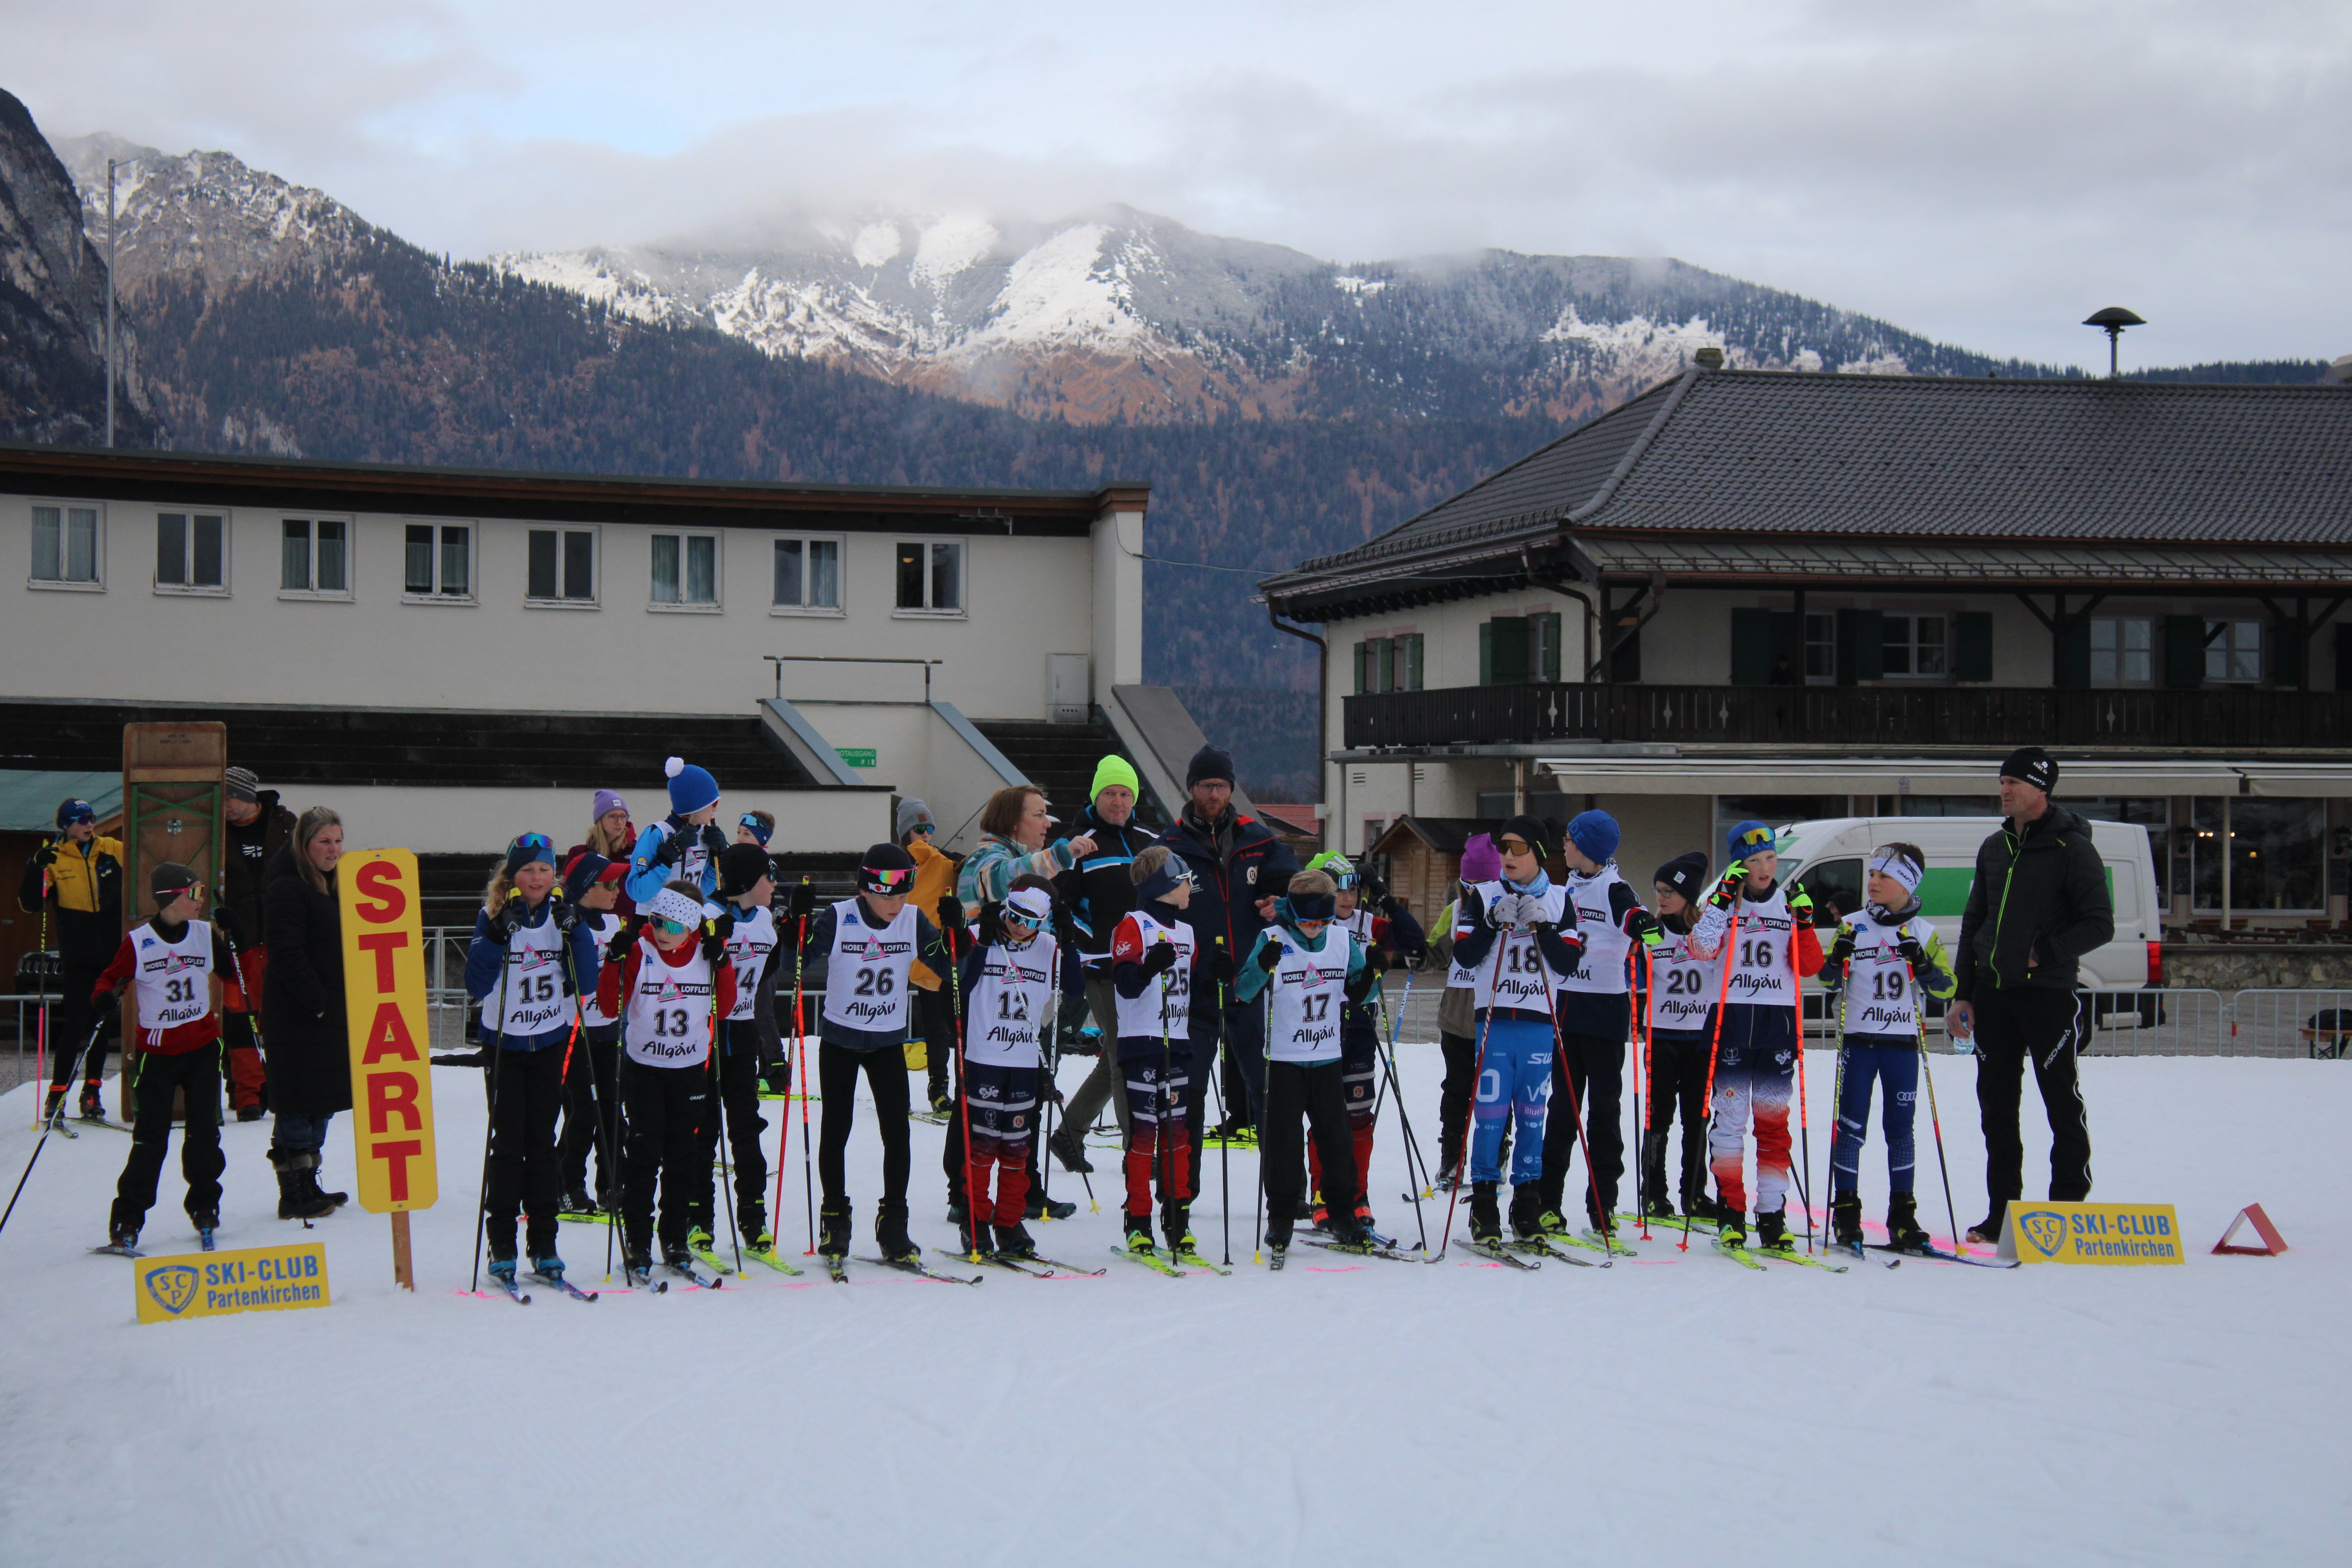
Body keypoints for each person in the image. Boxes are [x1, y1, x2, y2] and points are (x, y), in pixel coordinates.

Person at [1948, 747, 2112, 1243]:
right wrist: (1963, 993)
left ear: (2041, 789)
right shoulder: (1994, 847)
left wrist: (2046, 953)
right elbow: (1974, 921)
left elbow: (2099, 923)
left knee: (2060, 1100)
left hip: (2047, 997)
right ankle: (2003, 1213)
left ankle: (2067, 1208)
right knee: (1997, 1107)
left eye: (2013, 783)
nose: (2004, 791)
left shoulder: (2073, 848)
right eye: (2001, 782)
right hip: (1994, 997)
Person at [793, 844, 955, 1265]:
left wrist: (958, 935)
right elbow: (797, 959)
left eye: (902, 895)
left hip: (886, 1042)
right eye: (885, 895)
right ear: (864, 889)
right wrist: (795, 923)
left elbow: (954, 967)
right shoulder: (840, 916)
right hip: (841, 1040)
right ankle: (835, 1218)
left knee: (897, 1134)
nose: (894, 904)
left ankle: (894, 1224)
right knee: (836, 1129)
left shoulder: (913, 920)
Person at [464, 833, 602, 1287]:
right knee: (508, 1145)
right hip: (504, 1043)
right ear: (513, 877)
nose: (538, 877)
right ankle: (501, 1241)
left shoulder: (563, 919)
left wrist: (576, 928)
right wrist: (497, 936)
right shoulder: (494, 916)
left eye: (545, 869)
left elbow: (586, 982)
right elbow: (476, 983)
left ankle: (544, 1243)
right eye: (528, 870)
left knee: (542, 1144)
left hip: (548, 1041)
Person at [1689, 821, 1826, 1252]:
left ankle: (1772, 1214)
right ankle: (1732, 1212)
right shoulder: (1722, 903)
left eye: (1770, 858)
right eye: (1754, 861)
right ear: (1738, 866)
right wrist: (1722, 904)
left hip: (1776, 1024)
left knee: (1772, 1124)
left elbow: (1810, 967)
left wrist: (1804, 922)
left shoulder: (1789, 903)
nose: (1765, 867)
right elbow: (1702, 949)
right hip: (1730, 1020)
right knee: (1729, 1122)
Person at [1450, 815, 1585, 1243]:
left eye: (1519, 848)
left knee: (1532, 1116)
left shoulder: (1562, 900)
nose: (1507, 855)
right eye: (1504, 847)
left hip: (1538, 1023)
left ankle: (1528, 1204)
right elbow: (1465, 956)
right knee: (1490, 1118)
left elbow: (1567, 963)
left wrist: (1541, 928)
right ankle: (1485, 1203)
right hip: (1495, 1022)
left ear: (1540, 855)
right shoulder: (1483, 895)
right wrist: (1492, 923)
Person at [93, 863, 241, 1252]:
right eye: (195, 893)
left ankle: (205, 1206)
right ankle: (128, 1218)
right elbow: (109, 979)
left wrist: (235, 936)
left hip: (203, 1050)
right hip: (157, 1056)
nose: (200, 901)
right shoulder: (140, 941)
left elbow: (235, 975)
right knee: (150, 1139)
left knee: (205, 1135)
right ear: (171, 898)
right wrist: (104, 996)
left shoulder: (204, 934)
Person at [597, 882, 739, 1281]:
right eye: (658, 921)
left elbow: (725, 1007)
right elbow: (609, 1006)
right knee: (643, 1155)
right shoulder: (641, 951)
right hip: (645, 1069)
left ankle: (675, 1238)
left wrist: (724, 963)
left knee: (685, 1158)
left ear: (693, 926)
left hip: (690, 1070)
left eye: (675, 926)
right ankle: (638, 1240)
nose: (663, 932)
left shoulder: (704, 955)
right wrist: (613, 960)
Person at [1156, 745, 1298, 1144]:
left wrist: (1278, 900)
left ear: (1231, 789)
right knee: (1189, 1093)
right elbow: (1149, 908)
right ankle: (1180, 1192)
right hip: (1195, 989)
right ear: (1192, 788)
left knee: (1266, 1090)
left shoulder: (1258, 837)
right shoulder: (1169, 843)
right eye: (1205, 786)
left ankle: (1285, 1195)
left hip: (1248, 985)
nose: (1214, 795)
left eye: (1221, 786)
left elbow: (1291, 880)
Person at [1233, 867, 1374, 1260]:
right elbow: (1242, 991)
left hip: (1328, 1058)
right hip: (1284, 1061)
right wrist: (1262, 964)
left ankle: (1344, 1213)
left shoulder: (1343, 940)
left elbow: (1365, 988)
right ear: (1292, 914)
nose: (1315, 928)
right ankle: (1280, 1216)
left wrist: (1368, 980)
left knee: (1336, 1140)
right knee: (1284, 1145)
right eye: (1307, 920)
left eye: (1323, 920)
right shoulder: (1273, 938)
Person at [1822, 843, 1956, 1252]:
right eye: (1873, 875)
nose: (1873, 882)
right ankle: (1846, 1211)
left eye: (1885, 876)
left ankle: (1903, 1213)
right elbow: (1827, 981)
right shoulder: (1852, 925)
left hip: (1901, 1044)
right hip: (1860, 1043)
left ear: (1908, 884)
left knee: (1901, 1131)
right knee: (1851, 1128)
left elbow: (1948, 986)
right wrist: (1837, 961)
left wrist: (1924, 966)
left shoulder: (1924, 932)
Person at [1537, 810, 1655, 1240]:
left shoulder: (1614, 886)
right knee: (1562, 1113)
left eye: (1569, 839)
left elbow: (1631, 915)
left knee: (1604, 1113)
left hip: (1605, 1014)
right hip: (1567, 1011)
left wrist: (1644, 925)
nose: (1564, 846)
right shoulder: (1567, 885)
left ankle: (1602, 1205)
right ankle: (1548, 1203)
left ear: (1587, 846)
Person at [1108, 846, 1229, 1262]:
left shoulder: (1188, 932)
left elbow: (1192, 984)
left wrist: (1218, 972)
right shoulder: (1133, 925)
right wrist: (1146, 969)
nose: (1190, 888)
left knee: (1179, 1137)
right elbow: (1124, 983)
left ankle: (1178, 1218)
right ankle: (1138, 1219)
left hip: (1177, 1043)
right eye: (1183, 882)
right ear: (1164, 884)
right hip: (1142, 1043)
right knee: (1144, 1137)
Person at [1301, 853, 1425, 1232]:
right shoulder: (1308, 925)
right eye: (1339, 890)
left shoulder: (1367, 923)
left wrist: (1383, 894)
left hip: (1359, 1031)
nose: (1347, 898)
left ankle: (1358, 1194)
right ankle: (1321, 1193)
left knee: (1359, 1116)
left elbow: (1414, 941)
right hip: (1319, 1031)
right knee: (1324, 1117)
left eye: (1354, 890)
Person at [1048, 756, 1157, 1174]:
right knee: (1124, 1057)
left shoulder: (1150, 839)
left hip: (1147, 967)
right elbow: (1062, 905)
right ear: (1097, 796)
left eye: (1125, 793)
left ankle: (1069, 1134)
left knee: (1116, 1054)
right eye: (1110, 793)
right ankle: (1138, 1152)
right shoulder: (1078, 841)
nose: (1118, 801)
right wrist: (1087, 939)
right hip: (1102, 967)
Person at [952, 881, 1065, 1259]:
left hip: (1023, 1061)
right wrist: (980, 943)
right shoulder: (980, 935)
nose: (1019, 927)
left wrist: (1071, 940)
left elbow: (1075, 987)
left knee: (1017, 1149)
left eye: (1031, 921)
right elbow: (962, 985)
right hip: (984, 1058)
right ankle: (975, 1220)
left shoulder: (1049, 948)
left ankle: (1009, 1221)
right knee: (982, 1148)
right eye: (1014, 917)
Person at [261, 807, 352, 1223]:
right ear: (304, 844)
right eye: (324, 842)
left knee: (322, 1101)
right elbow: (287, 953)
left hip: (328, 1012)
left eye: (337, 841)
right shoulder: (287, 887)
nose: (333, 850)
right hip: (298, 1016)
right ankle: (293, 1190)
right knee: (298, 1104)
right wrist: (318, 1002)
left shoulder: (333, 884)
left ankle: (311, 1181)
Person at [697, 842, 782, 1261]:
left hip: (743, 1033)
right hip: (706, 1038)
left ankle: (753, 1215)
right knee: (703, 1128)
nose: (776, 884)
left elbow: (769, 965)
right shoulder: (707, 917)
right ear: (749, 882)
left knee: (747, 1126)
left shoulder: (765, 919)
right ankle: (698, 1217)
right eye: (770, 876)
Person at [18, 797, 123, 1124]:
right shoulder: (54, 858)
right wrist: (35, 866)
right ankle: (57, 1095)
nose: (89, 824)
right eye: (81, 820)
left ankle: (92, 1092)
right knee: (75, 1024)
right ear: (65, 825)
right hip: (77, 957)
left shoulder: (110, 848)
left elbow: (144, 863)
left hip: (110, 954)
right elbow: (30, 905)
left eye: (91, 818)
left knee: (101, 1023)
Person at [1636, 853, 1720, 1220]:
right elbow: (1637, 980)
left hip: (1700, 1038)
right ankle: (1654, 1193)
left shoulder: (1709, 933)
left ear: (1689, 894)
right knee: (1659, 1119)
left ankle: (1695, 1193)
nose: (1662, 897)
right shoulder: (1653, 931)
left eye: (1670, 890)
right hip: (1663, 1036)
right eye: (1658, 891)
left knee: (1697, 1119)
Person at [216, 766, 294, 1120]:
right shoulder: (216, 833)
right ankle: (248, 1093)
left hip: (281, 935)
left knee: (281, 1017)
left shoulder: (285, 823)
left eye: (230, 797)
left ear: (247, 796)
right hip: (239, 938)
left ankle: (281, 1087)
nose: (226, 805)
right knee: (240, 1017)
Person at [1428, 831, 1501, 1189]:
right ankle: (1452, 1160)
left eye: (1483, 884)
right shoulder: (1454, 911)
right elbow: (1432, 954)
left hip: (1496, 1016)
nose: (1474, 893)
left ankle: (1496, 1156)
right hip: (1458, 1018)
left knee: (1496, 1093)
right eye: (1468, 884)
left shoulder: (1508, 908)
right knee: (1457, 1091)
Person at [556, 852, 628, 1215]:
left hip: (608, 1030)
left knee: (613, 1110)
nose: (618, 890)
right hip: (574, 1032)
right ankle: (566, 1184)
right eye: (610, 884)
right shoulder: (566, 923)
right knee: (583, 1111)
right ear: (585, 889)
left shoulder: (615, 922)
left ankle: (613, 1184)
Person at [897, 797, 962, 1115]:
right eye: (919, 828)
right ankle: (925, 1087)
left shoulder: (941, 862)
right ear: (906, 832)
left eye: (930, 829)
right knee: (900, 1023)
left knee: (939, 1027)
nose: (926, 835)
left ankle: (940, 1087)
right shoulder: (913, 861)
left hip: (932, 955)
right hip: (903, 952)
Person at [625, 758, 726, 907]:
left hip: (688, 922)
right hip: (653, 923)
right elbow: (638, 893)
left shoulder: (704, 836)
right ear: (696, 804)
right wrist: (668, 855)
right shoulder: (658, 833)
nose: (716, 809)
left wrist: (719, 857)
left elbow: (703, 891)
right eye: (714, 803)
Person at [568, 788, 639, 918]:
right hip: (589, 924)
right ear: (600, 820)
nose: (619, 822)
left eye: (623, 816)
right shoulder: (580, 853)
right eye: (613, 816)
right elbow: (570, 895)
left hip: (628, 926)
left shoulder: (636, 851)